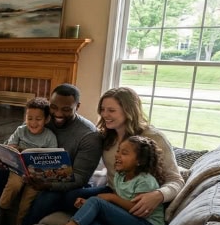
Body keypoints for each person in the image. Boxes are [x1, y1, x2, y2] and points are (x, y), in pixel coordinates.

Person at [0, 83, 102, 225]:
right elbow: (13, 141)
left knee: (45, 197)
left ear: (77, 107)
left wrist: (48, 185)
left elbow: (80, 178)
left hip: (60, 183)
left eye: (66, 109)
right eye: (54, 107)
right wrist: (0, 157)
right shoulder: (42, 117)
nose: (58, 114)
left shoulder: (89, 135)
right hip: (26, 172)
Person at [37, 135, 167, 225]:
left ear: (140, 161)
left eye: (124, 153)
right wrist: (87, 204)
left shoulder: (145, 181)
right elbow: (122, 202)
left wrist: (112, 198)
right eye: (118, 151)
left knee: (95, 202)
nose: (117, 155)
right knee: (86, 211)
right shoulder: (120, 176)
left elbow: (139, 210)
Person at [73, 86, 184, 218]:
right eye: (102, 110)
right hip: (113, 191)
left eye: (111, 110)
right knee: (70, 196)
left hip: (137, 200)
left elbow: (176, 180)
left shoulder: (154, 138)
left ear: (128, 111)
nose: (104, 115)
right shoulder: (105, 135)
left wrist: (158, 195)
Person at [0, 97, 57, 225]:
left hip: (36, 175)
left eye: (38, 119)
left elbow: (53, 158)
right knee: (14, 184)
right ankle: (2, 209)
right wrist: (13, 149)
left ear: (46, 119)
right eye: (30, 118)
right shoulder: (21, 130)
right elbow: (10, 146)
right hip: (19, 168)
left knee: (26, 202)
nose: (33, 123)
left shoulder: (50, 137)